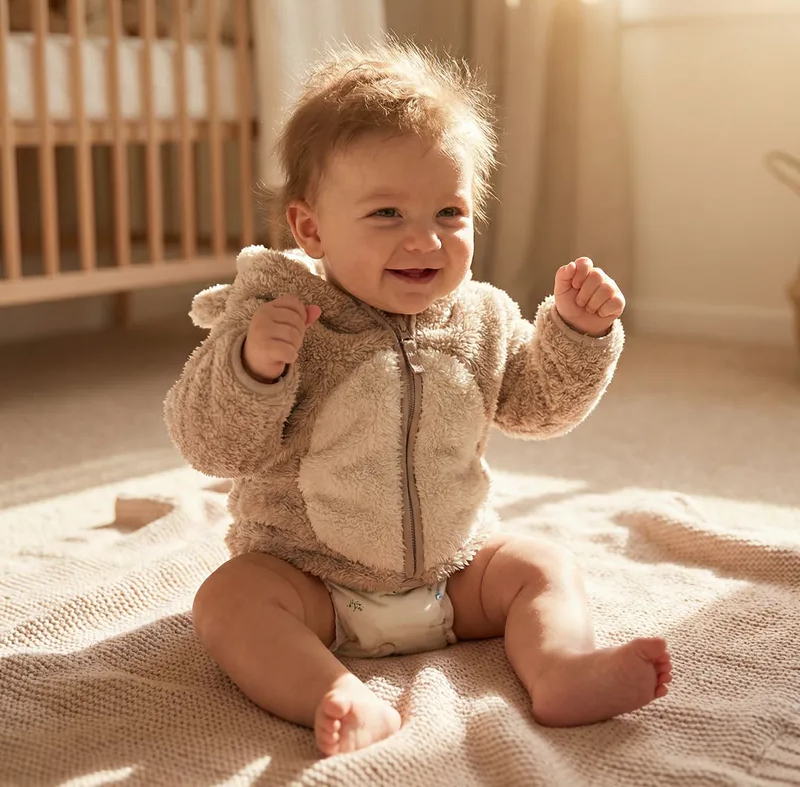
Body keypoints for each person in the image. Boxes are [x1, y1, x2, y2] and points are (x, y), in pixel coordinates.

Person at [164, 39, 671, 757]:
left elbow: (538, 407)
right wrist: (254, 369)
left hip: (453, 577)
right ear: (310, 228)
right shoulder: (278, 317)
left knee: (543, 565)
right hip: (312, 583)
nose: (424, 239)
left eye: (450, 212)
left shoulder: (482, 318)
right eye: (386, 215)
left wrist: (578, 336)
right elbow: (209, 444)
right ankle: (333, 693)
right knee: (229, 600)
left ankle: (560, 669)